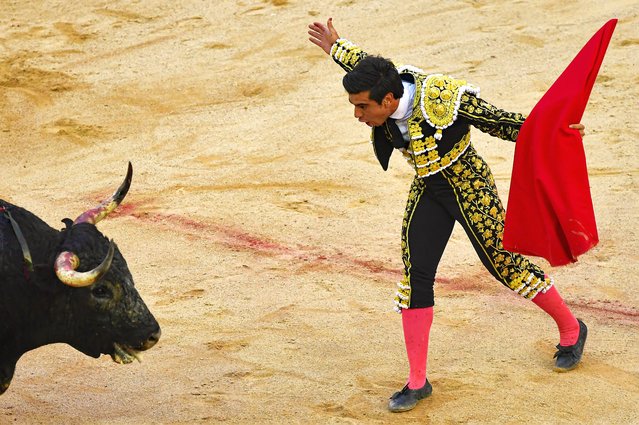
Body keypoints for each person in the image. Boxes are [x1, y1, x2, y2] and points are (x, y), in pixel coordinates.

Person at [308, 18, 588, 413]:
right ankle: (417, 382)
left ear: (389, 102)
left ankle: (572, 329)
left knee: (504, 265)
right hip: (428, 187)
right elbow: (366, 63)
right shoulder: (382, 84)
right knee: (415, 274)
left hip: (468, 182)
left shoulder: (444, 96)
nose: (358, 115)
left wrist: (557, 129)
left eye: (362, 107)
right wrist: (335, 46)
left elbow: (502, 122)